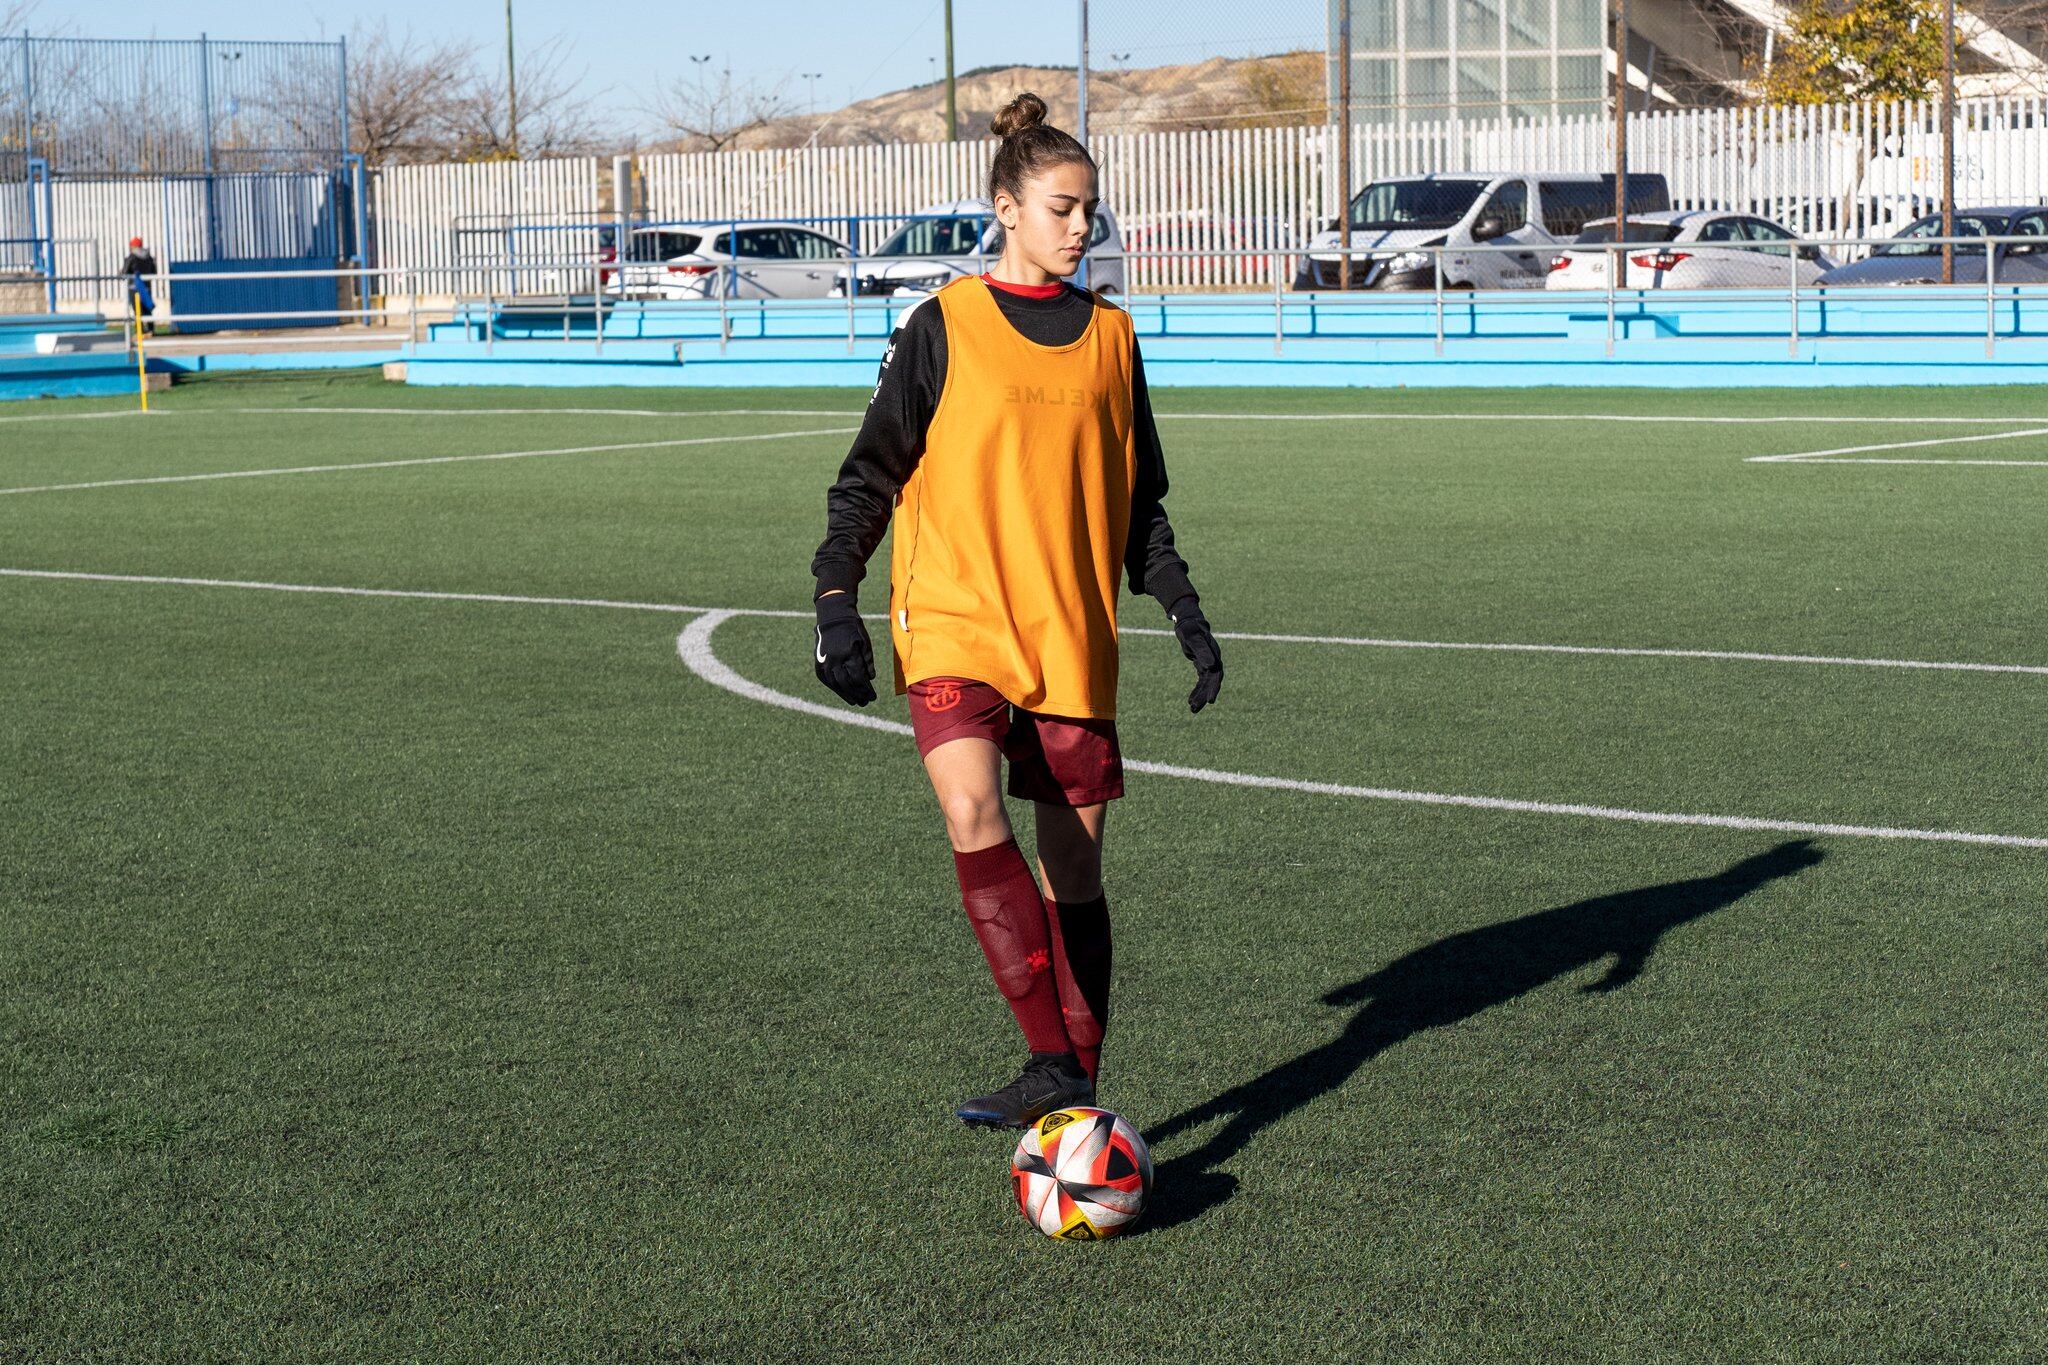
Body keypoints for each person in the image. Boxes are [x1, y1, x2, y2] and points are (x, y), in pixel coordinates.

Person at [808, 92, 1225, 1130]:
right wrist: (833, 599)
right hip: (952, 615)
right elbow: (867, 478)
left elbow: (1140, 507)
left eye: (1091, 212)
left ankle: (1072, 1079)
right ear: (1004, 207)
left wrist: (1183, 612)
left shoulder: (1113, 339)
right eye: (1059, 209)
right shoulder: (940, 325)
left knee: (1073, 866)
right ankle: (1050, 1058)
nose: (1081, 229)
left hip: (1070, 634)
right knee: (968, 808)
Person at [121, 236, 158, 335]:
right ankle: (151, 329)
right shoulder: (148, 257)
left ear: (133, 246)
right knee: (147, 308)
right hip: (146, 286)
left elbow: (124, 272)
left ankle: (140, 330)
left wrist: (122, 272)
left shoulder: (132, 257)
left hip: (134, 287)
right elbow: (154, 272)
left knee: (137, 310)